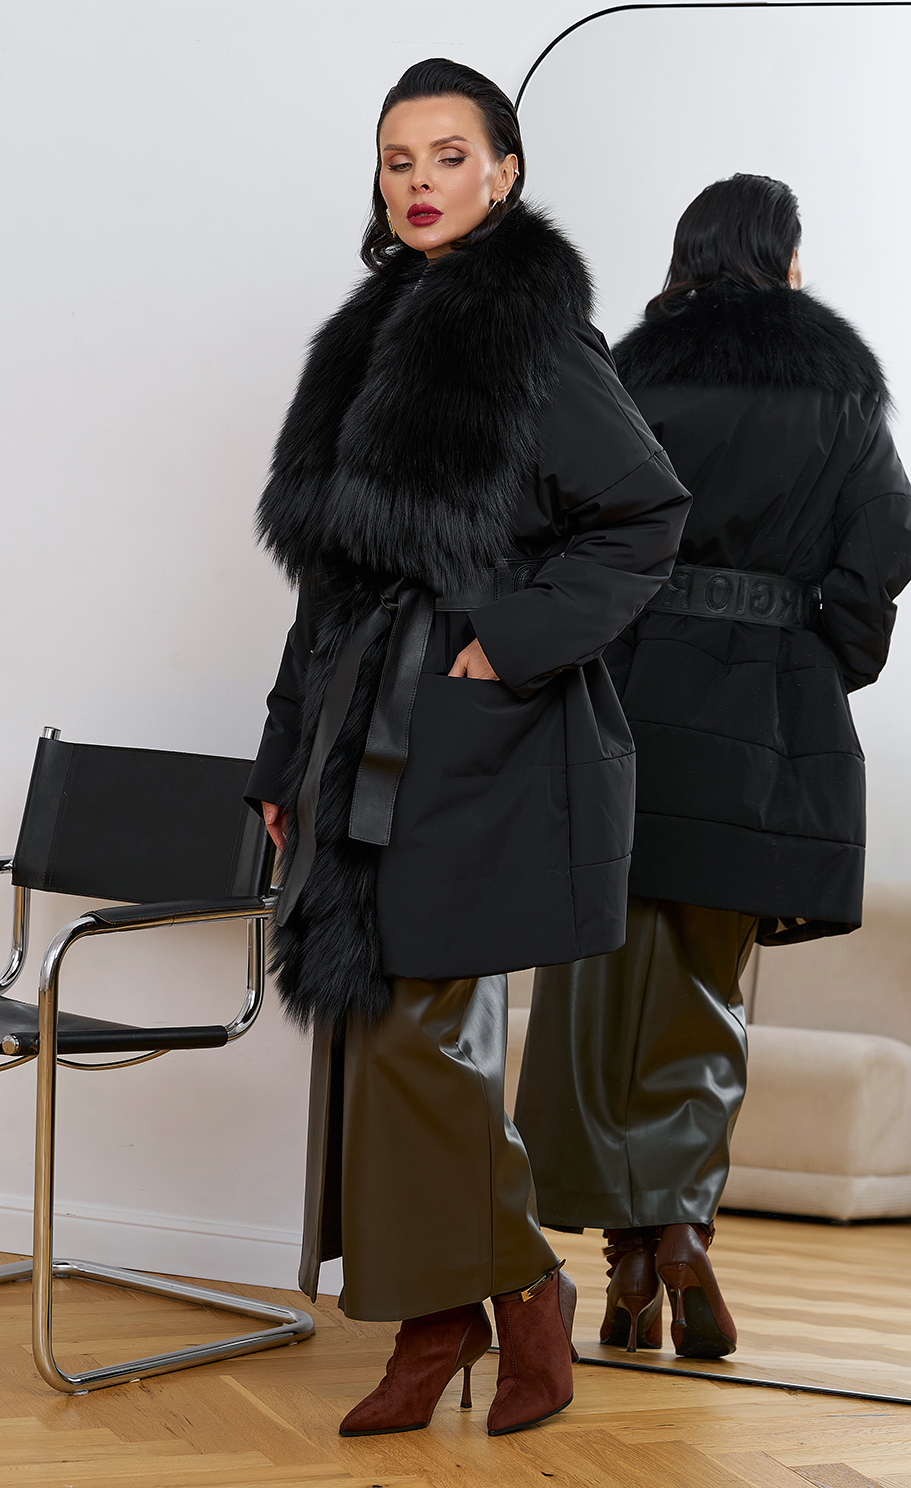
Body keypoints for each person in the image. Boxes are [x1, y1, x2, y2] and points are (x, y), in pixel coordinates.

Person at [244, 58, 690, 1438]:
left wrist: (502, 642)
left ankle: (516, 1289)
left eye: (448, 155)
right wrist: (282, 758)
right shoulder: (367, 335)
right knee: (378, 1026)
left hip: (469, 724)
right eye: (398, 161)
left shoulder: (527, 334)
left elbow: (644, 514)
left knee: (420, 1028)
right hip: (353, 719)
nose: (421, 182)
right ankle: (438, 1320)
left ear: (503, 170)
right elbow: (328, 583)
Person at [514, 173, 911, 1362]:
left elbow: (552, 528)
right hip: (759, 720)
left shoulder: (627, 372)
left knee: (590, 996)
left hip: (620, 702)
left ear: (683, 259)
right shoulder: (840, 386)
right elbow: (884, 534)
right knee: (701, 987)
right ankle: (678, 1232)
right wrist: (819, 654)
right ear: (784, 261)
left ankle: (626, 1264)